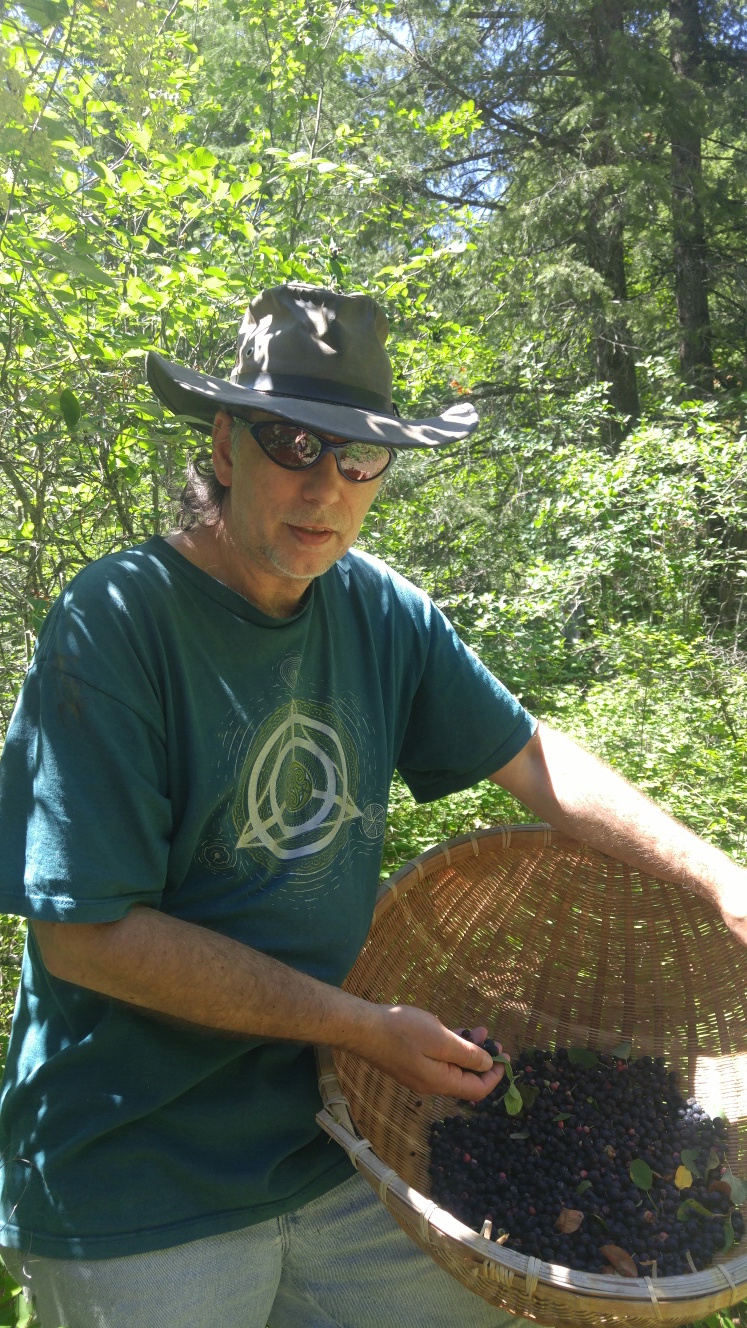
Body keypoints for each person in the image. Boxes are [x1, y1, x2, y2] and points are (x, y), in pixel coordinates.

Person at [0, 284, 745, 1328]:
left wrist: (721, 877)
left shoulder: (380, 612)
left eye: (361, 458)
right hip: (137, 1175)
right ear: (223, 443)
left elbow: (536, 760)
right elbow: (85, 936)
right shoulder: (118, 623)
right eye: (293, 442)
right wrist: (357, 1024)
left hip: (336, 1143)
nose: (328, 487)